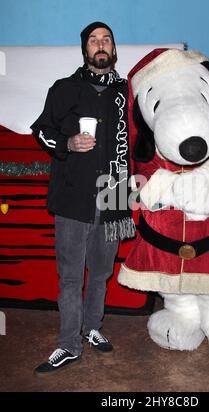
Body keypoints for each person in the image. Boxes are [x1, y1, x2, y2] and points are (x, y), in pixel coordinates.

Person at [31, 22, 134, 376]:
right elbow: (41, 131)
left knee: (102, 272)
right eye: (94, 41)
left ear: (114, 49)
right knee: (71, 276)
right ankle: (68, 344)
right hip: (73, 196)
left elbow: (140, 138)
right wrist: (67, 144)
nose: (100, 45)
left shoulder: (126, 94)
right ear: (85, 50)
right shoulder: (63, 89)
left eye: (106, 40)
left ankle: (92, 327)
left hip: (115, 192)